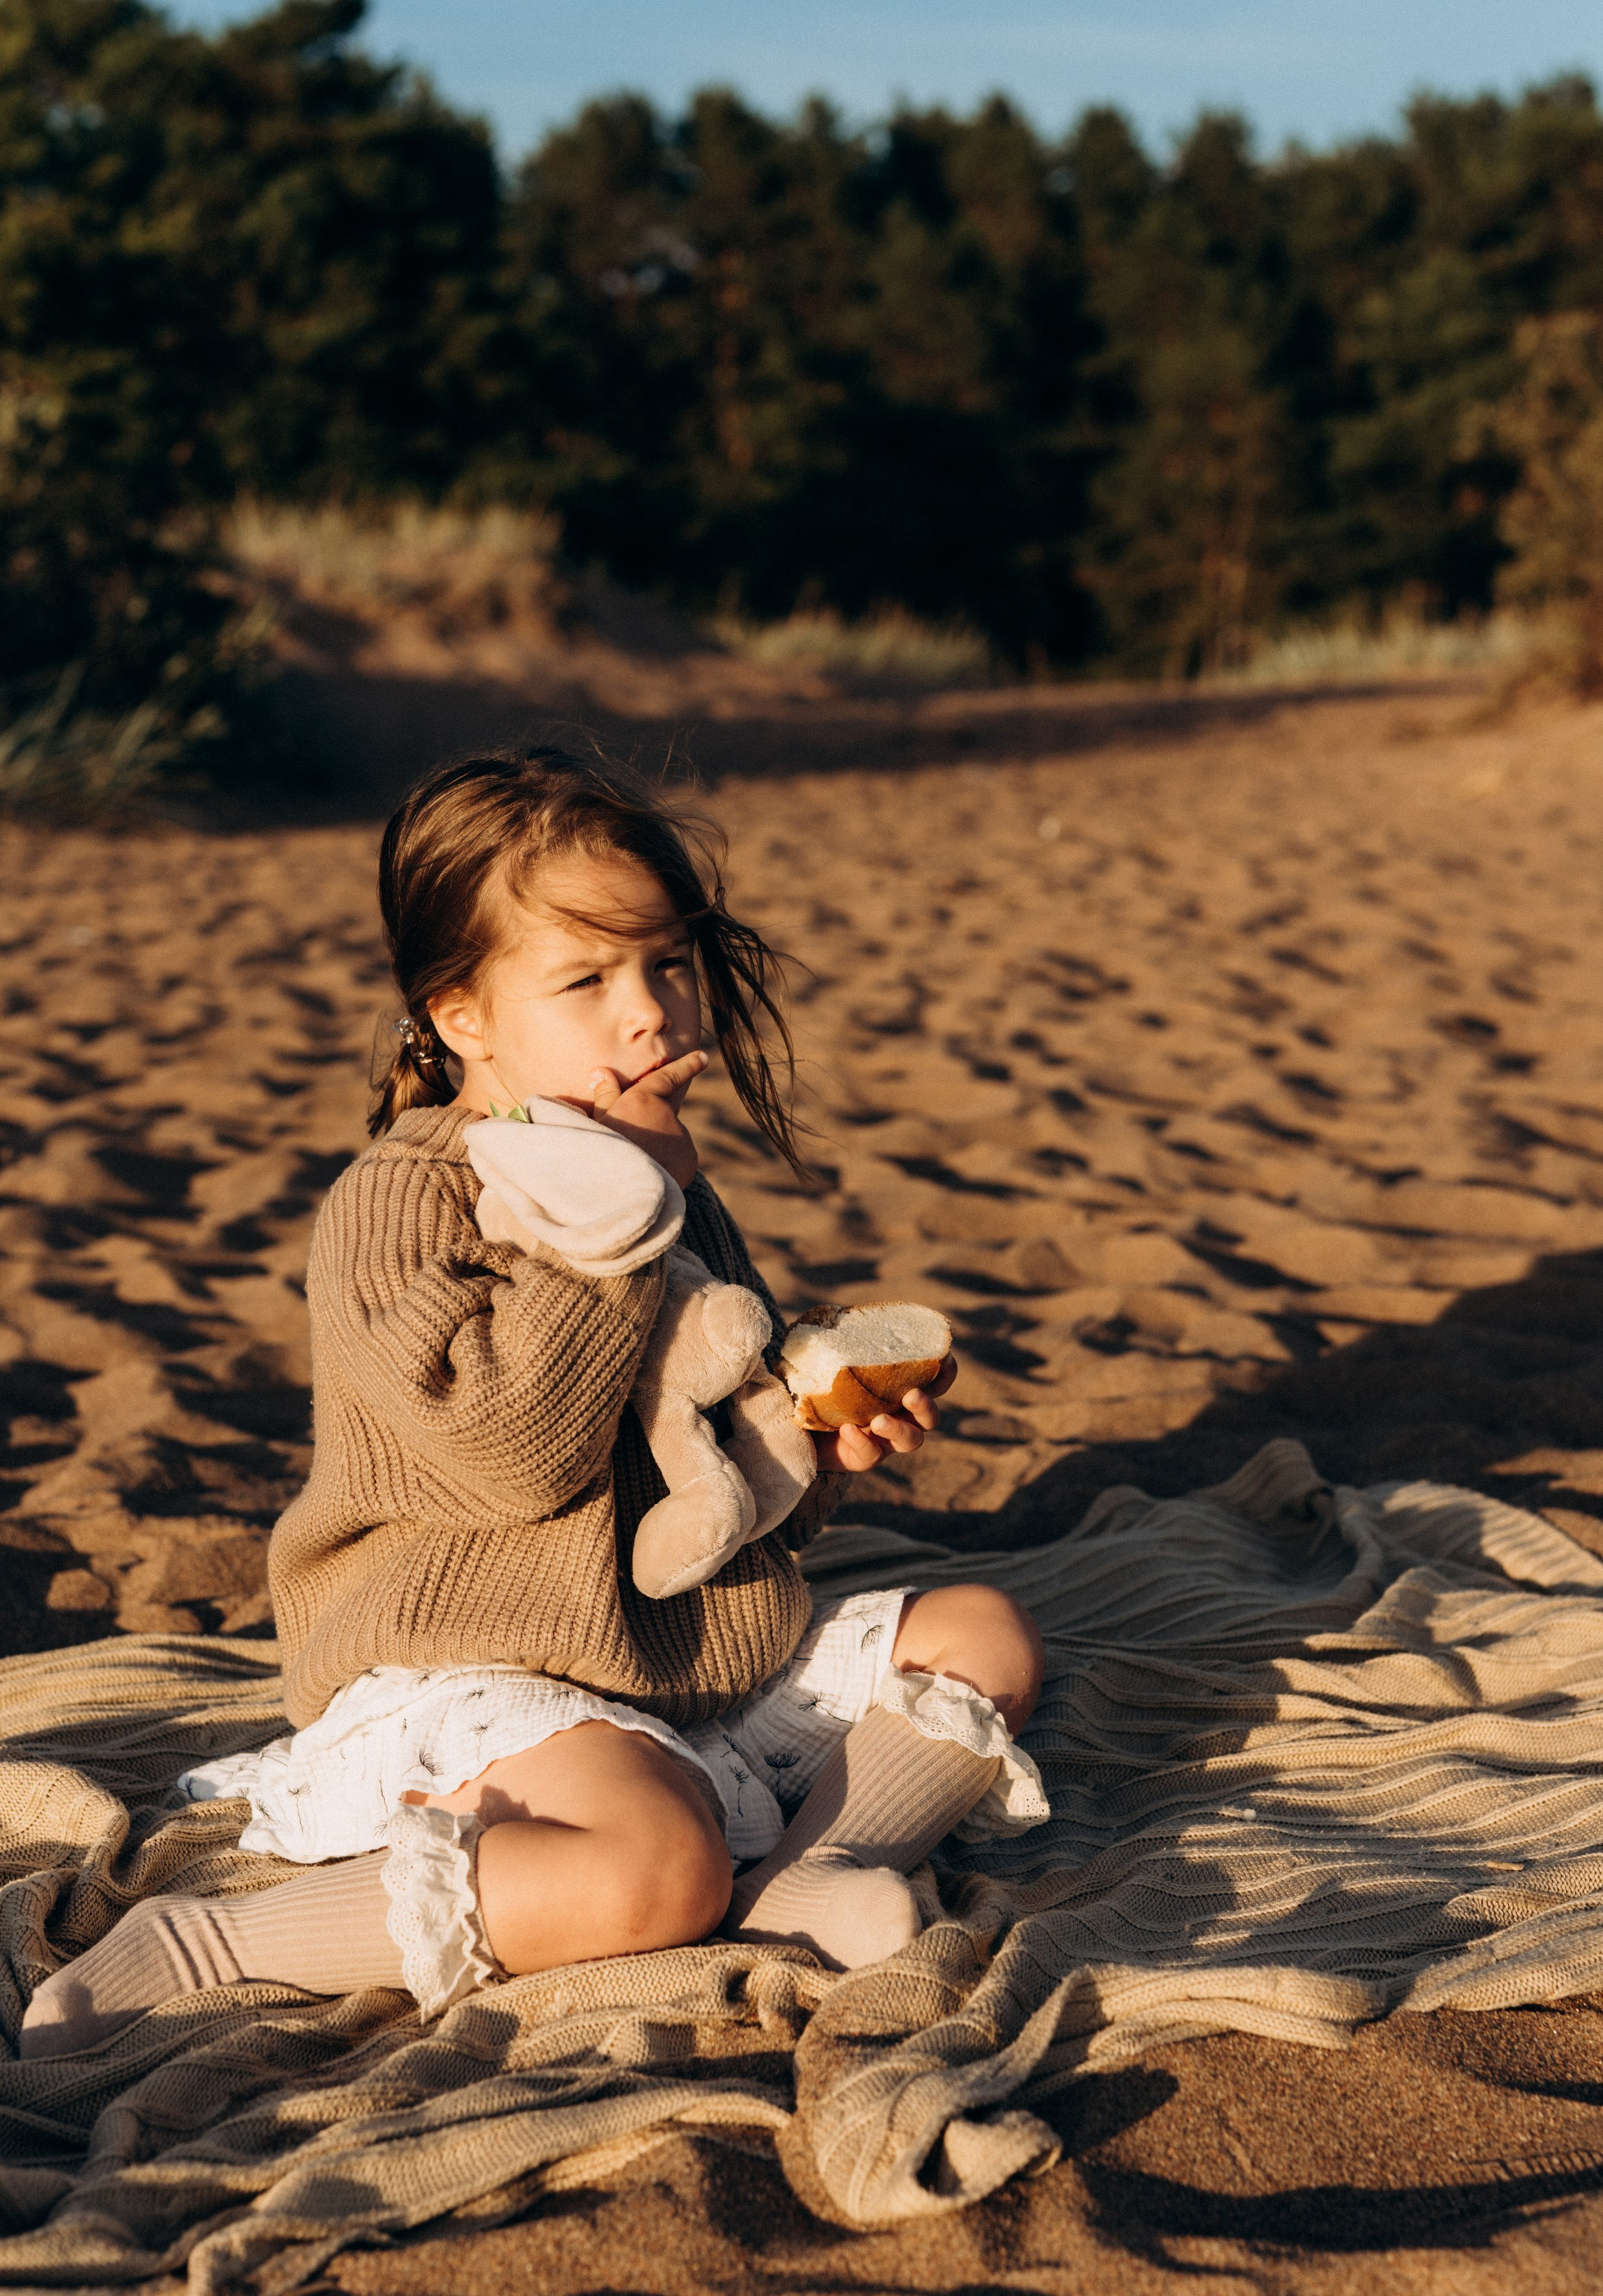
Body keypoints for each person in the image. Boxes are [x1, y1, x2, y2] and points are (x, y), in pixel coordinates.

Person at [21, 747, 1044, 2057]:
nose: (653, 1015)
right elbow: (510, 1456)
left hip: (675, 1656)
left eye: (668, 964)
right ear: (462, 1017)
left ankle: (802, 1872)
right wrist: (603, 1231)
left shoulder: (673, 1193)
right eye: (588, 979)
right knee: (657, 1867)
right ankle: (211, 1944)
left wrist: (817, 1456)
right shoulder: (404, 1200)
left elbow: (714, 1491)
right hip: (480, 1659)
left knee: (984, 1635)